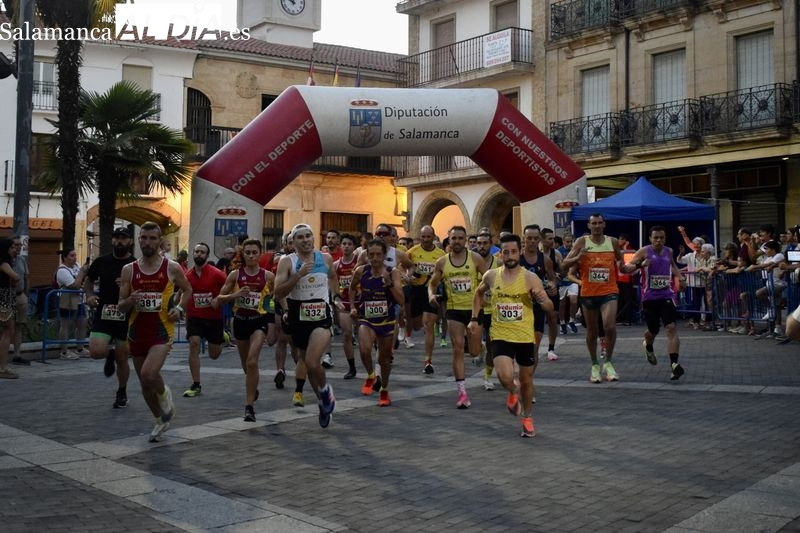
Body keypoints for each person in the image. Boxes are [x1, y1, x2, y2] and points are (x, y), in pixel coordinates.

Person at [470, 233, 552, 437]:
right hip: (500, 334)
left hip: (524, 336)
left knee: (526, 380)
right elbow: (478, 294)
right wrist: (474, 318)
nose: (510, 256)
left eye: (514, 251)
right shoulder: (491, 275)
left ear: (520, 252)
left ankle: (527, 418)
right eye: (505, 252)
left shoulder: (530, 278)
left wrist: (543, 299)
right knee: (505, 376)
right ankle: (512, 391)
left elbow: (549, 306)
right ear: (500, 254)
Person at [117, 221, 192, 443]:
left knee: (150, 374)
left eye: (152, 238)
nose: (147, 242)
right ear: (138, 240)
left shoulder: (171, 268)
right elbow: (120, 304)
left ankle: (165, 395)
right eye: (143, 238)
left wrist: (179, 308)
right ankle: (160, 419)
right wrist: (130, 300)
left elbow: (187, 290)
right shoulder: (129, 269)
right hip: (137, 331)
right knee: (144, 382)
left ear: (160, 242)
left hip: (161, 330)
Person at [274, 223, 340, 428]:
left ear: (314, 238)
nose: (305, 240)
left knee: (312, 361)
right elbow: (278, 293)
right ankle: (322, 400)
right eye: (300, 237)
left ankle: (326, 392)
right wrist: (298, 275)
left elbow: (333, 277)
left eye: (308, 236)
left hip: (321, 317)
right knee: (306, 363)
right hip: (298, 318)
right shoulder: (287, 262)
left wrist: (336, 297)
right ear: (293, 242)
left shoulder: (325, 258)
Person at [428, 225, 487, 408]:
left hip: (474, 310)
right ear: (449, 239)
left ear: (466, 240)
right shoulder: (442, 262)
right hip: (453, 311)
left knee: (474, 351)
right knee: (457, 349)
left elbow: (488, 279)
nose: (457, 242)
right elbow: (432, 283)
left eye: (460, 238)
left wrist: (488, 294)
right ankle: (462, 392)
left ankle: (481, 348)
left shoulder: (475, 259)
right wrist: (431, 294)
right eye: (454, 238)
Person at [218, 239, 276, 421]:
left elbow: (272, 301)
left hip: (259, 321)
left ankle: (249, 407)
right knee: (246, 364)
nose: (251, 255)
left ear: (260, 254)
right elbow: (219, 298)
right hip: (240, 321)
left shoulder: (268, 276)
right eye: (248, 252)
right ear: (243, 254)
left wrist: (272, 322)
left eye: (254, 252)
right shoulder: (235, 275)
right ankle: (253, 386)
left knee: (252, 361)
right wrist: (235, 295)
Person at [561, 214, 623, 383]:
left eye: (599, 223)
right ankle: (595, 365)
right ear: (588, 225)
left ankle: (608, 362)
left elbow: (622, 264)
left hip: (609, 291)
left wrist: (637, 265)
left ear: (604, 224)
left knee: (609, 326)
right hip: (588, 293)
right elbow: (564, 265)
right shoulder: (581, 242)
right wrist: (578, 256)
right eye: (593, 223)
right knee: (592, 332)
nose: (596, 226)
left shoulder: (613, 242)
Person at [621, 226, 687, 380]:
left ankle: (674, 365)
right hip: (649, 297)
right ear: (650, 238)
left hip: (667, 295)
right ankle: (648, 346)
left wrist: (681, 278)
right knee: (653, 330)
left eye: (662, 238)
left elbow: (673, 266)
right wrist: (640, 265)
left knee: (671, 328)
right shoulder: (644, 251)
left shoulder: (669, 251)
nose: (659, 241)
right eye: (655, 238)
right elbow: (627, 269)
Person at [83, 227, 136, 408]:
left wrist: (128, 286)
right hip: (105, 312)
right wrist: (89, 295)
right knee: (96, 352)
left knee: (123, 358)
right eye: (116, 238)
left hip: (126, 315)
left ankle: (122, 391)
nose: (119, 241)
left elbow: (144, 289)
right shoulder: (102, 261)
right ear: (112, 240)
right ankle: (109, 353)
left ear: (130, 241)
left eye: (123, 238)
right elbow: (88, 280)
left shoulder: (135, 264)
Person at [349, 238, 405, 406]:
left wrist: (389, 285)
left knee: (384, 359)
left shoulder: (392, 272)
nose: (374, 258)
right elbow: (351, 288)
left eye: (378, 255)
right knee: (364, 349)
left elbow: (401, 300)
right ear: (366, 255)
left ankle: (384, 389)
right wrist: (352, 306)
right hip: (367, 318)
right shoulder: (360, 271)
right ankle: (372, 375)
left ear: (384, 255)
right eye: (371, 254)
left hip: (386, 321)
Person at [181, 242, 230, 398]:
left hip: (213, 317)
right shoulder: (187, 275)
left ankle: (222, 337)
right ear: (193, 254)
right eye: (196, 252)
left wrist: (220, 299)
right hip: (194, 316)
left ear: (207, 256)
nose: (199, 254)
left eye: (202, 252)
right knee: (194, 344)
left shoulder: (216, 273)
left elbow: (229, 285)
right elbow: (182, 291)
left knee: (214, 355)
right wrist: (179, 307)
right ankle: (196, 384)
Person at [405, 225, 445, 374]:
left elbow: (444, 272)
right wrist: (407, 277)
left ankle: (428, 361)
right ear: (420, 237)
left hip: (431, 291)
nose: (426, 240)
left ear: (434, 237)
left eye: (429, 237)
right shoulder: (412, 252)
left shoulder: (440, 254)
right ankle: (413, 330)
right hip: (416, 290)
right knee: (417, 325)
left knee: (428, 324)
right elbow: (402, 267)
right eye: (423, 237)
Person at [475, 231, 499, 390]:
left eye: (485, 243)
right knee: (473, 346)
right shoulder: (472, 262)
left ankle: (487, 377)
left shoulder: (498, 263)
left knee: (492, 345)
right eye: (479, 243)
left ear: (491, 245)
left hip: (492, 309)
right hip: (476, 308)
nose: (482, 246)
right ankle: (479, 347)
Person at [55, 248, 89, 360]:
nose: (75, 258)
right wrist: (82, 272)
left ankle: (80, 348)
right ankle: (64, 351)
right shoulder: (62, 270)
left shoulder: (76, 266)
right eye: (72, 255)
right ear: (65, 257)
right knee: (66, 325)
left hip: (79, 300)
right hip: (67, 300)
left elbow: (83, 281)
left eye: (75, 255)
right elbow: (74, 285)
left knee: (82, 323)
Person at [334, 233, 359, 379]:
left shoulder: (359, 263)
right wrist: (336, 298)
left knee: (364, 336)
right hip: (344, 302)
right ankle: (352, 367)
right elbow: (333, 284)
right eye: (344, 244)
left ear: (354, 247)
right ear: (340, 246)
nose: (347, 246)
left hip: (360, 301)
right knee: (347, 334)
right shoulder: (336, 265)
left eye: (350, 244)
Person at [0, 238, 20, 378]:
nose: (15, 249)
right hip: (3, 298)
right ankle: (2, 367)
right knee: (8, 330)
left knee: (8, 330)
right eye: (12, 247)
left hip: (7, 297)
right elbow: (16, 276)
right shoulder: (3, 262)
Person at [9, 236, 28, 366]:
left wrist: (26, 293)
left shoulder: (21, 260)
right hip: (7, 296)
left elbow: (26, 277)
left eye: (20, 245)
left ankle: (17, 354)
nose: (19, 247)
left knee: (18, 326)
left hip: (20, 295)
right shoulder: (5, 261)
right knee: (6, 327)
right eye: (16, 245)